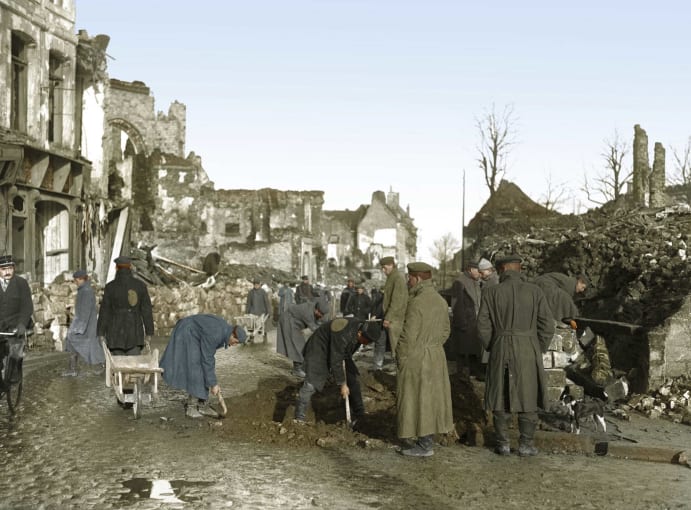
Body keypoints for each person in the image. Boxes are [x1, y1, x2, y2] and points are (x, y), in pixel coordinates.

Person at [477, 254, 555, 457]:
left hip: (500, 346)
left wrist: (493, 347)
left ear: (502, 270)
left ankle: (502, 444)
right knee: (528, 395)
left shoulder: (490, 292)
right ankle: (526, 444)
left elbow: (482, 326)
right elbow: (547, 325)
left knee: (500, 395)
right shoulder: (535, 292)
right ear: (519, 270)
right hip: (528, 348)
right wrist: (538, 347)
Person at [396, 262, 453, 457]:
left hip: (417, 356)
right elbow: (446, 330)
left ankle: (424, 445)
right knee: (431, 400)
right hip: (436, 355)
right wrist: (434, 345)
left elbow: (408, 335)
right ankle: (426, 442)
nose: (408, 281)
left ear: (418, 278)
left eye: (410, 277)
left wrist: (401, 357)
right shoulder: (440, 300)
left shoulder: (417, 302)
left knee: (417, 399)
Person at [294, 318, 382, 426]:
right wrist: (343, 384)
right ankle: (299, 419)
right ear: (360, 334)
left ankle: (360, 415)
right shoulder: (344, 334)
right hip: (319, 348)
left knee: (353, 379)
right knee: (312, 383)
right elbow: (336, 360)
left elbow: (343, 354)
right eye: (367, 341)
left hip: (339, 350)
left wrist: (345, 379)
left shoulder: (361, 329)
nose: (367, 344)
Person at [159, 314, 247, 418]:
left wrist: (212, 382)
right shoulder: (216, 333)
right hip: (187, 332)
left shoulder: (224, 330)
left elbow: (208, 358)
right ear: (232, 335)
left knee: (202, 366)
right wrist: (213, 384)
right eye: (235, 342)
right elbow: (207, 359)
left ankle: (202, 405)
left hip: (194, 334)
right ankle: (191, 408)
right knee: (196, 366)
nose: (234, 345)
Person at [97, 256, 154, 355]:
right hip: (134, 332)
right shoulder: (140, 286)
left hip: (115, 332)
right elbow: (146, 311)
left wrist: (101, 333)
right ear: (130, 267)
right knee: (133, 365)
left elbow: (105, 311)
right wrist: (149, 332)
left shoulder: (110, 287)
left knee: (117, 364)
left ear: (116, 268)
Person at [62, 269, 104, 376]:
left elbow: (85, 312)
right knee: (78, 343)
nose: (75, 282)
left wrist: (79, 328)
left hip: (86, 325)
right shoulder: (84, 290)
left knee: (89, 345)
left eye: (76, 280)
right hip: (84, 323)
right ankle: (73, 368)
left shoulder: (86, 291)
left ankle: (100, 365)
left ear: (82, 279)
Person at [276, 298, 330, 377]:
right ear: (316, 310)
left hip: (296, 321)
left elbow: (320, 323)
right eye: (320, 313)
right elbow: (315, 328)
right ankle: (297, 369)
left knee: (301, 344)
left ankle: (302, 366)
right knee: (299, 345)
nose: (321, 315)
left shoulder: (315, 308)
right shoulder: (307, 313)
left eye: (322, 314)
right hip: (288, 320)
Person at [0, 254, 33, 380]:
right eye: (3, 269)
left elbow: (27, 307)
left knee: (15, 352)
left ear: (14, 268)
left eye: (10, 268)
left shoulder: (21, 283)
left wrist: (22, 325)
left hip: (15, 325)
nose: (7, 272)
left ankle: (14, 373)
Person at [449, 260, 482, 378]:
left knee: (474, 349)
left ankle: (473, 371)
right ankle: (460, 374)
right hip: (465, 323)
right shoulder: (459, 282)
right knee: (462, 351)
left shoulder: (475, 282)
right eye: (477, 270)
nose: (479, 272)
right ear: (470, 269)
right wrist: (461, 323)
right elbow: (456, 305)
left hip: (474, 323)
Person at [380, 256, 408, 360]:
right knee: (394, 350)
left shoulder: (397, 278)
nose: (383, 270)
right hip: (393, 318)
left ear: (391, 265)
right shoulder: (392, 277)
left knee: (397, 350)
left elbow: (397, 301)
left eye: (384, 267)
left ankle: (402, 374)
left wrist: (388, 318)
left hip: (396, 319)